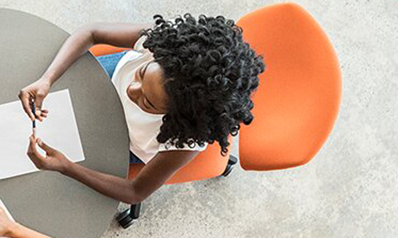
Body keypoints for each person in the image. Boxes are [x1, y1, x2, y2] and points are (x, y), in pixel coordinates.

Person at [20, 15, 265, 205]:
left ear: (175, 118)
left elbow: (135, 192)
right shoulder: (163, 48)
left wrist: (66, 167)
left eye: (147, 103)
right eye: (141, 74)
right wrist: (47, 79)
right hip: (105, 78)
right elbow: (91, 32)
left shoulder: (184, 141)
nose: (131, 90)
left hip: (123, 141)